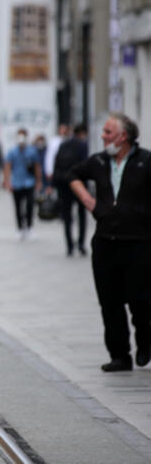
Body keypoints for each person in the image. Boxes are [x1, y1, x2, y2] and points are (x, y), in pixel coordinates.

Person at [68, 113, 151, 372]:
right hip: (105, 242)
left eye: (107, 132)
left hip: (138, 242)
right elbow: (72, 174)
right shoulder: (99, 161)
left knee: (140, 299)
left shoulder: (145, 161)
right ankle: (119, 354)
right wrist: (86, 199)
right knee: (110, 301)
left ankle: (145, 341)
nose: (103, 137)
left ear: (123, 136)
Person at [53, 123, 88, 256]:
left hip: (64, 184)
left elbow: (56, 164)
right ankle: (81, 244)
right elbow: (85, 165)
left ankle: (69, 245)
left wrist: (54, 184)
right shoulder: (82, 145)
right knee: (81, 215)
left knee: (67, 216)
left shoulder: (63, 145)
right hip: (79, 184)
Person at [3, 128, 42, 240]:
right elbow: (7, 167)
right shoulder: (12, 151)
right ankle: (19, 228)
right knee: (18, 207)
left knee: (30, 205)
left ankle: (29, 227)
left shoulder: (32, 151)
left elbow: (37, 167)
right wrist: (7, 182)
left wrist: (39, 182)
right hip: (16, 183)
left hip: (29, 182)